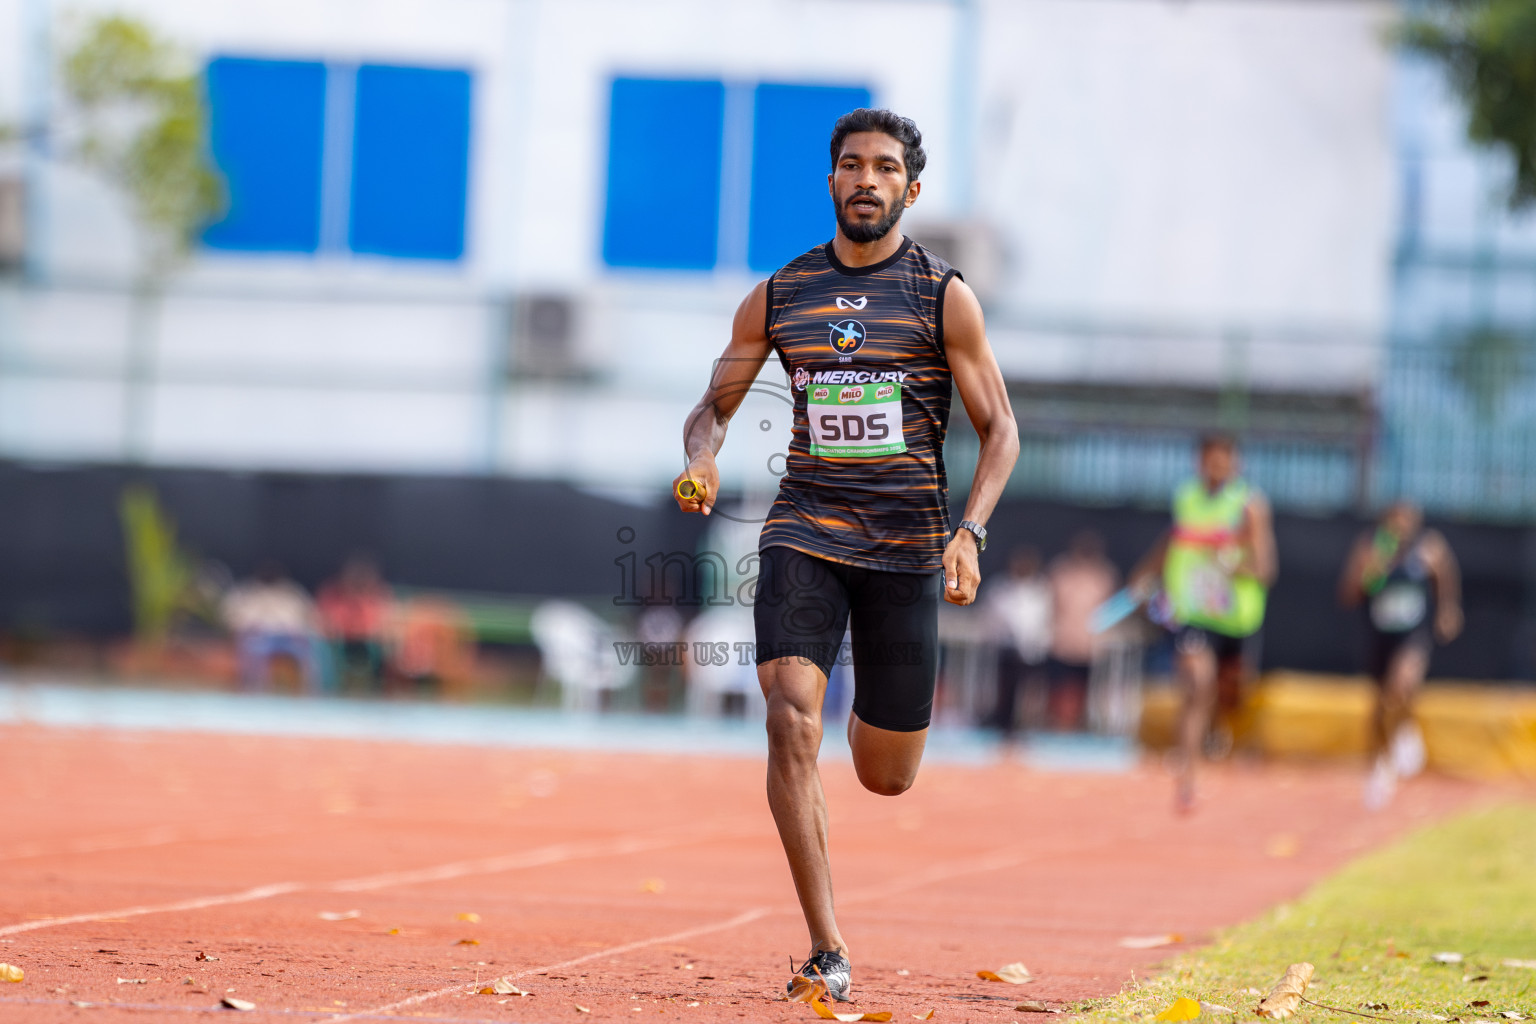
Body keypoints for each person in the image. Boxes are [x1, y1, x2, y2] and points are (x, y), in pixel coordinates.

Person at [671, 108, 1018, 1001]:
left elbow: (1001, 430)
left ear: (911, 187)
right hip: (806, 532)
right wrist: (703, 455)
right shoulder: (782, 294)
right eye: (852, 166)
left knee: (885, 774)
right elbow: (711, 403)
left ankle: (877, 725)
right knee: (790, 713)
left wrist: (969, 532)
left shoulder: (944, 297)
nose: (867, 180)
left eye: (885, 168)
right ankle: (827, 946)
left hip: (905, 550)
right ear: (831, 180)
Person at [1131, 434, 1276, 813]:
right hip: (1192, 613)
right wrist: (1146, 574)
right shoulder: (1186, 498)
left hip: (1235, 617)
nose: (1215, 468)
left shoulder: (1249, 506)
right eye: (1209, 460)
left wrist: (1233, 563)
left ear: (1234, 465)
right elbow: (1173, 540)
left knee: (1230, 695)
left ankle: (1216, 728)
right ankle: (1187, 781)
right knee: (1197, 685)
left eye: (1222, 461)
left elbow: (1265, 568)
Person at [1337, 501, 1461, 809]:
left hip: (1412, 635)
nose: (1402, 528)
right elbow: (1348, 595)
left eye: (1408, 521)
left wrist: (1448, 610)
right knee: (1380, 705)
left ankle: (1403, 731)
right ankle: (1379, 766)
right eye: (1396, 521)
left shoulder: (1428, 548)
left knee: (1402, 684)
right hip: (1380, 635)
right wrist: (1371, 571)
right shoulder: (1371, 548)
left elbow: (1445, 577)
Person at [1045, 531, 1119, 731]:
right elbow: (1051, 607)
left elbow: (1108, 611)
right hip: (1062, 644)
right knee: (1058, 692)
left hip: (1088, 647)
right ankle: (1055, 728)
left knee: (1083, 694)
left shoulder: (1104, 576)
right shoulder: (1061, 572)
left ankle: (1079, 728)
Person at [222, 562, 324, 694]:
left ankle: (311, 692)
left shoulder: (292, 593)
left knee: (313, 649)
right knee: (252, 649)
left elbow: (309, 616)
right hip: (260, 637)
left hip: (288, 638)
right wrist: (249, 627)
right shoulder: (246, 593)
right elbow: (231, 617)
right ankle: (254, 691)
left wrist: (301, 630)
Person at [983, 546, 1052, 735]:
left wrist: (1038, 644)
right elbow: (991, 619)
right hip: (1007, 649)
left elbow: (1043, 621)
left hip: (1032, 651)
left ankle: (1027, 725)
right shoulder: (1000, 589)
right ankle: (1003, 724)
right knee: (1005, 690)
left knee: (1030, 693)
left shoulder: (1040, 591)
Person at [317, 555, 392, 692]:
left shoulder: (377, 595)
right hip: (341, 639)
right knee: (322, 644)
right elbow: (328, 619)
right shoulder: (333, 593)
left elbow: (381, 620)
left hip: (368, 640)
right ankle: (331, 684)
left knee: (386, 644)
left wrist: (367, 630)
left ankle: (378, 685)